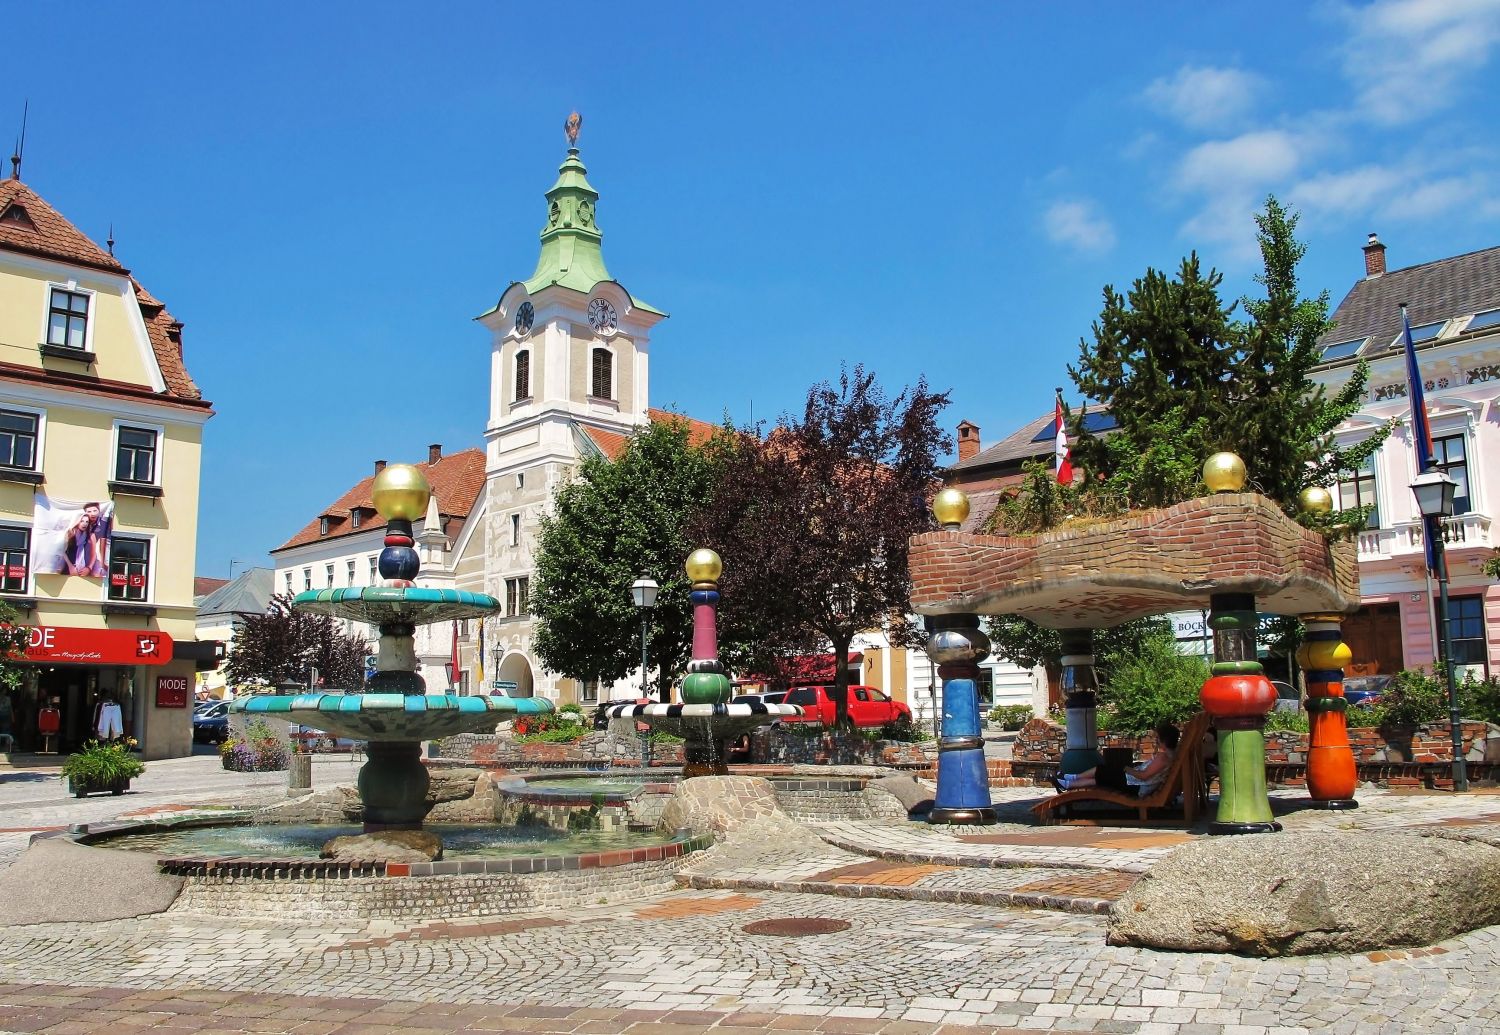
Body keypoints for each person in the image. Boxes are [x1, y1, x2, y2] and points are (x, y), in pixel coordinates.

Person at [1054, 721, 1180, 796]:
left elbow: (1144, 776)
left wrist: (1128, 769)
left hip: (1136, 787)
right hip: (1136, 784)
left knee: (1102, 771)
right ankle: (1069, 781)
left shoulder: (1163, 758)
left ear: (1165, 739)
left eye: (1158, 738)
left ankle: (1069, 780)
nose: (1156, 740)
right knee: (1101, 775)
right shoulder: (1170, 756)